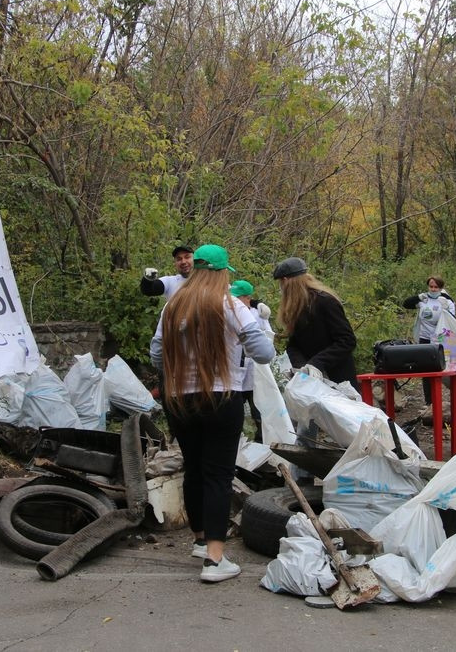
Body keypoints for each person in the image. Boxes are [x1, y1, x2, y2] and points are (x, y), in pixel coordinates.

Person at [150, 245, 274, 582]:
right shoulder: (232, 306)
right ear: (222, 272)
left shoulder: (172, 308)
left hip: (179, 401)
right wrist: (255, 327)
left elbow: (156, 355)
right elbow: (264, 354)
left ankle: (200, 540)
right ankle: (215, 561)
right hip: (222, 397)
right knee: (218, 475)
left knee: (194, 469)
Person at [272, 257, 358, 391]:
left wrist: (317, 363)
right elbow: (294, 344)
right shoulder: (295, 307)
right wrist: (301, 367)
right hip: (312, 383)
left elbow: (347, 340)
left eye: (280, 283)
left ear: (286, 280)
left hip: (339, 379)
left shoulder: (325, 302)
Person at [229, 279, 275, 442]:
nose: (233, 299)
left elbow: (268, 338)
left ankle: (262, 442)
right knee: (233, 413)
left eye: (238, 297)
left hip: (255, 372)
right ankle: (236, 443)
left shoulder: (258, 314)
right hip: (234, 372)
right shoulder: (229, 311)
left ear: (247, 298)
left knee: (259, 410)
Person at [402, 276, 456, 402]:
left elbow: (453, 321)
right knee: (426, 371)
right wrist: (417, 297)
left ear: (441, 288)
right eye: (431, 286)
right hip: (424, 338)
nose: (433, 289)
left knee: (441, 369)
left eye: (436, 287)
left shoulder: (447, 301)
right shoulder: (423, 299)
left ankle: (444, 399)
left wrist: (446, 310)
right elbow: (406, 304)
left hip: (441, 339)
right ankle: (429, 401)